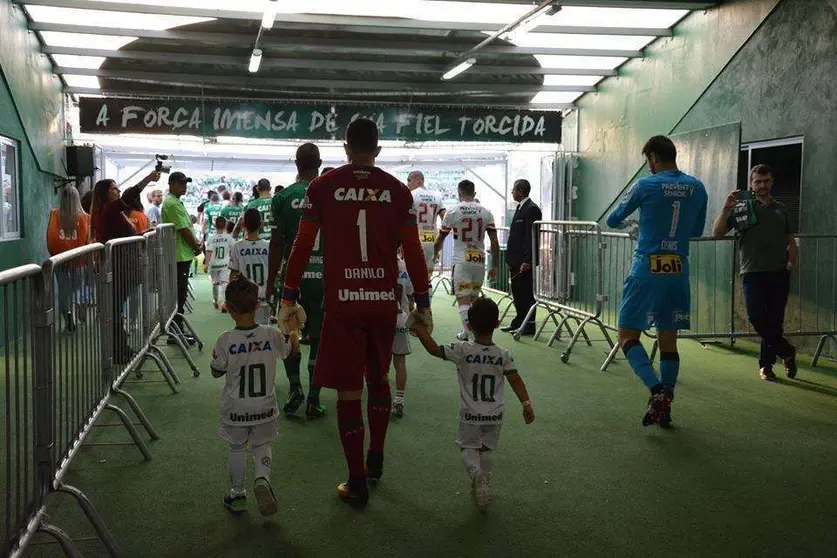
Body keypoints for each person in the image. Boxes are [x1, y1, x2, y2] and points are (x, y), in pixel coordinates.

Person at [276, 118, 433, 508]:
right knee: (378, 379)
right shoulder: (398, 191)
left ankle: (356, 481)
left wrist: (287, 296)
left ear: (345, 148)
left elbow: (301, 244)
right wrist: (425, 302)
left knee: (349, 390)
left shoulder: (323, 186)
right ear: (377, 150)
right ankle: (376, 459)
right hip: (383, 303)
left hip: (343, 304)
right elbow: (413, 252)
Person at [606, 135, 708, 428]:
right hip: (678, 270)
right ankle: (666, 406)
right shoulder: (697, 187)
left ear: (652, 157)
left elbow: (613, 219)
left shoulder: (645, 185)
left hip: (647, 269)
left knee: (626, 335)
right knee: (668, 342)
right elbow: (697, 230)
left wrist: (634, 225)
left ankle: (657, 391)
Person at [411, 297, 534, 509]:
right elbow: (516, 380)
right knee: (486, 448)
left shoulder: (462, 350)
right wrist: (526, 404)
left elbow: (433, 349)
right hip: (495, 414)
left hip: (470, 414)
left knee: (468, 447)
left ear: (468, 325)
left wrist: (419, 328)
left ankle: (477, 476)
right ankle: (484, 479)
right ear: (496, 324)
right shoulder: (504, 355)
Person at [211, 276, 297, 516]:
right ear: (257, 305)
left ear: (228, 308)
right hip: (265, 408)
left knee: (236, 447)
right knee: (262, 445)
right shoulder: (271, 335)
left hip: (235, 408)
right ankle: (262, 479)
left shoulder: (225, 339)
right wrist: (292, 333)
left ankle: (238, 494)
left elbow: (216, 371)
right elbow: (289, 351)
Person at [711, 164, 798, 381]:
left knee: (774, 320)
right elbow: (717, 233)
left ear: (772, 181)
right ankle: (786, 350)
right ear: (751, 183)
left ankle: (766, 365)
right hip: (752, 272)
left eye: (766, 181)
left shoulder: (781, 209)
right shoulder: (742, 208)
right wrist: (725, 208)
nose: (762, 185)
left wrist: (790, 265)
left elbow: (790, 240)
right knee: (757, 317)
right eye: (758, 182)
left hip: (779, 272)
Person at [266, 143, 327, 420]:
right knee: (319, 337)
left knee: (290, 331)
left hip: (293, 278)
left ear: (295, 164)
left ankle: (295, 389)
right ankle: (314, 397)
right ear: (320, 162)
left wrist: (269, 281)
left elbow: (276, 243)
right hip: (325, 277)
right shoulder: (330, 193)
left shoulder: (282, 197)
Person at [90, 172, 161, 363]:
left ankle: (120, 348)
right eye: (114, 188)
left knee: (116, 309)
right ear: (105, 193)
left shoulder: (111, 212)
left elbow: (123, 235)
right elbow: (129, 196)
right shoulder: (109, 209)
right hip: (118, 266)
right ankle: (118, 350)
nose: (118, 191)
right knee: (114, 310)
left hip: (121, 265)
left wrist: (143, 234)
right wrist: (148, 179)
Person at [434, 179, 500, 341]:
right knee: (473, 300)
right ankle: (466, 332)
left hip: (461, 261)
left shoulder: (453, 211)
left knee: (463, 300)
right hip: (479, 262)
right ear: (474, 193)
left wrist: (435, 253)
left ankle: (473, 338)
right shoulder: (486, 212)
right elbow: (494, 241)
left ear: (459, 193)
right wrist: (495, 266)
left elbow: (440, 238)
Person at [161, 171, 202, 345]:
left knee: (180, 295)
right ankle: (176, 332)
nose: (184, 186)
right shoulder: (172, 204)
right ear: (171, 184)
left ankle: (176, 331)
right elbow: (183, 230)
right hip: (178, 256)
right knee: (179, 295)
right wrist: (196, 246)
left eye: (185, 183)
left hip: (180, 255)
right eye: (181, 183)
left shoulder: (175, 202)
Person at [46, 185, 90, 332]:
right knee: (77, 288)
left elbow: (50, 237)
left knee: (64, 290)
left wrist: (54, 255)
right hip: (79, 260)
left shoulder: (54, 214)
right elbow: (87, 240)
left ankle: (68, 315)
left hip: (59, 259)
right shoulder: (84, 217)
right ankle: (78, 306)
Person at [501, 179, 542, 336]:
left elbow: (532, 237)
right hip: (515, 259)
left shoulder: (531, 209)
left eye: (513, 190)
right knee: (517, 293)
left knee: (526, 294)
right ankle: (519, 322)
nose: (511, 192)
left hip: (523, 261)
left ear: (520, 191)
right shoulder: (521, 208)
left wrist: (528, 260)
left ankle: (529, 326)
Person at [229, 209, 271, 325]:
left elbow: (233, 273)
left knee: (244, 329)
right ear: (261, 224)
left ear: (242, 224)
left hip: (245, 297)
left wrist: (231, 295)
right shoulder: (268, 246)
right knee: (262, 330)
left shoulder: (237, 246)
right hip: (263, 295)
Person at [407, 170, 445, 290]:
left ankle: (414, 305)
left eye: (409, 180)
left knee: (411, 277)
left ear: (418, 179)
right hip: (432, 241)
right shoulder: (437, 196)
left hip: (415, 239)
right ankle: (427, 306)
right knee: (427, 277)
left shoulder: (411, 194)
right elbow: (445, 218)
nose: (407, 183)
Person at [391, 248, 414, 419]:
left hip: (381, 317)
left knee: (377, 359)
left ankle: (379, 396)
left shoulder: (375, 263)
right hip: (400, 317)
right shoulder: (404, 265)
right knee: (400, 360)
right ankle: (399, 399)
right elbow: (410, 296)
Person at [204, 216, 234, 312]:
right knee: (225, 282)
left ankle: (215, 300)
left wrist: (206, 264)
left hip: (214, 264)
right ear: (225, 225)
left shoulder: (211, 238)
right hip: (225, 264)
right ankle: (225, 303)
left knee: (215, 283)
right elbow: (233, 250)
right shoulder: (229, 238)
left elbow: (208, 252)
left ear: (215, 226)